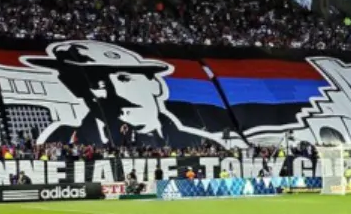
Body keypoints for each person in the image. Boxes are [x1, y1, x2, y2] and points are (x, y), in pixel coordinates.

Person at [24, 42, 215, 147]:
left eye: (124, 78)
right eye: (97, 82)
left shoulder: (198, 141)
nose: (114, 92)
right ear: (79, 90)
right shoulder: (61, 138)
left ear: (155, 84)